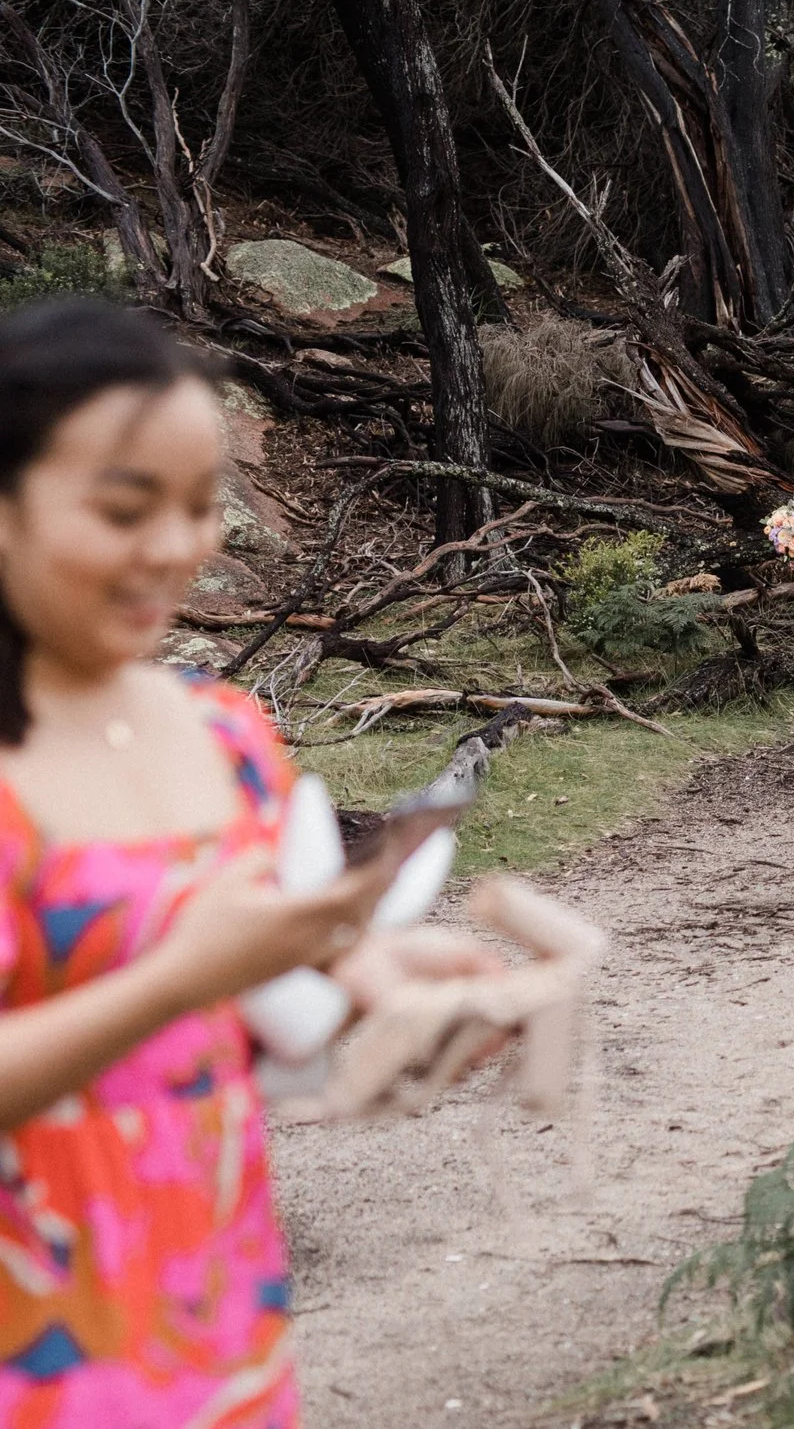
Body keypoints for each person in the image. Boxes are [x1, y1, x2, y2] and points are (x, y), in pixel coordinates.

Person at [0, 299, 419, 1426]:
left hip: (215, 1319)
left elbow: (263, 984)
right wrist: (176, 979)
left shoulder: (227, 731)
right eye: (127, 506)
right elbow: (190, 971)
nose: (177, 547)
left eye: (200, 506)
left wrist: (390, 991)